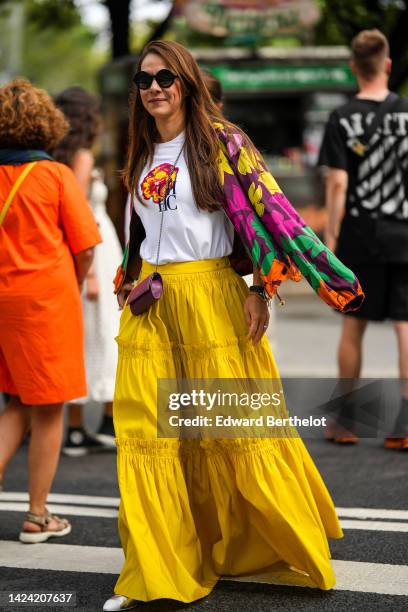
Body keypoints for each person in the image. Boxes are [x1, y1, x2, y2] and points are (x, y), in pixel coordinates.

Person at [103, 41, 363, 611]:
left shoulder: (224, 143)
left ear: (188, 82)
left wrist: (260, 289)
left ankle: (260, 539)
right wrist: (129, 277)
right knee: (149, 434)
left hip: (215, 299)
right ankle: (159, 559)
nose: (154, 88)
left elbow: (271, 217)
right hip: (155, 304)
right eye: (144, 80)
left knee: (230, 428)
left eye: (165, 77)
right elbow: (141, 230)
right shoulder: (141, 150)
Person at [0, 79, 101, 541]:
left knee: (18, 402)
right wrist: (75, 283)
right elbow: (84, 246)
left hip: (4, 303)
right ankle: (38, 514)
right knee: (48, 410)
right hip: (46, 302)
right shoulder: (55, 175)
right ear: (46, 124)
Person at [318, 29, 408, 449]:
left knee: (353, 326)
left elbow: (337, 184)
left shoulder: (341, 118)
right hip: (404, 233)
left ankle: (348, 421)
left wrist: (331, 239)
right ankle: (403, 426)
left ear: (354, 67)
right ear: (387, 65)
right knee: (406, 328)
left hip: (360, 233)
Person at [52, 87, 122, 456]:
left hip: (79, 252)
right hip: (94, 251)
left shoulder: (54, 155)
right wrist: (93, 272)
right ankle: (104, 423)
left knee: (84, 337)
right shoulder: (80, 157)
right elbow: (79, 214)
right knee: (105, 334)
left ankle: (78, 428)